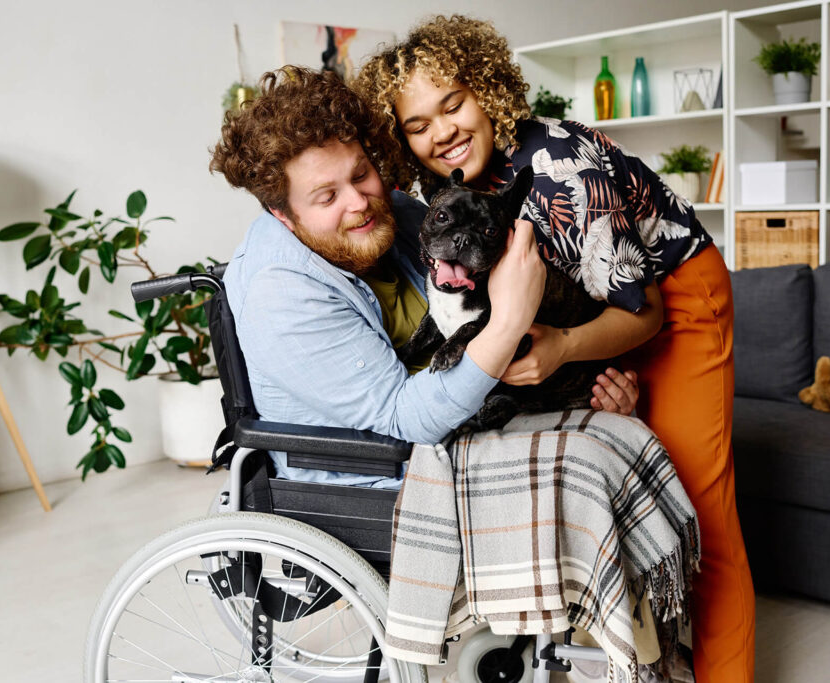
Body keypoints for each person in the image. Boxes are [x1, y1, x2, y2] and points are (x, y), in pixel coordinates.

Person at [355, 15, 755, 682]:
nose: (442, 131)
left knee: (699, 511)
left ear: (486, 89)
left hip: (669, 295)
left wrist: (567, 347)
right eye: (418, 124)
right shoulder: (450, 183)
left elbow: (642, 309)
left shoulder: (557, 168)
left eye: (453, 103)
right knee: (624, 470)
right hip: (584, 307)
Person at [209, 66, 637, 489]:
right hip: (389, 470)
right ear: (282, 214)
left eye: (361, 174)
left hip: (480, 420)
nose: (359, 201)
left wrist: (586, 395)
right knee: (590, 468)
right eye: (327, 196)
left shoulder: (396, 215)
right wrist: (509, 323)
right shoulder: (280, 290)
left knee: (621, 438)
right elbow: (405, 420)